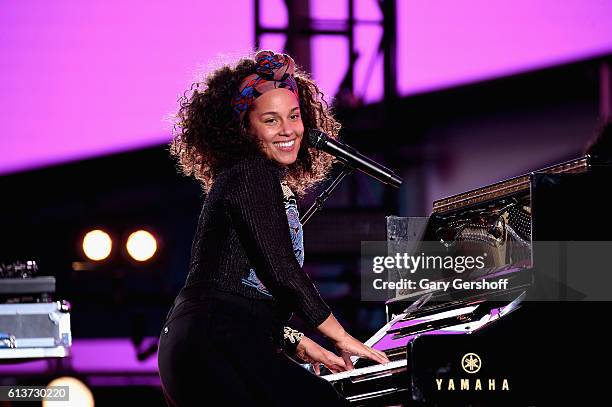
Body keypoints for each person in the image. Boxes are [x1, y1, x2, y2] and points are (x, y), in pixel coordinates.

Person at [157, 50, 389, 406]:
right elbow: (280, 271)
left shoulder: (253, 178)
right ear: (245, 129)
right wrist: (342, 337)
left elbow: (238, 285)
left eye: (294, 116)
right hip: (214, 341)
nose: (288, 130)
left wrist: (296, 340)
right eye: (271, 120)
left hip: (207, 339)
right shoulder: (250, 173)